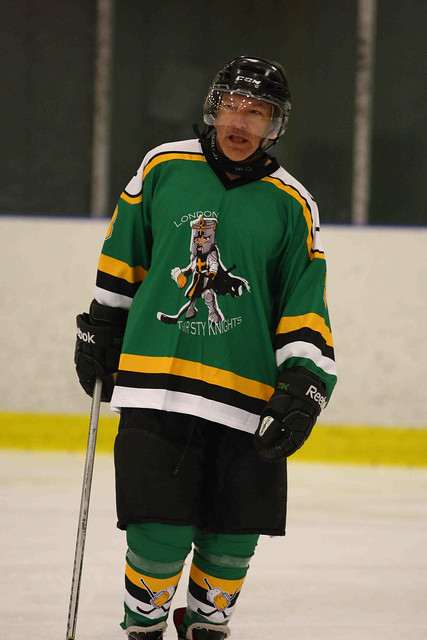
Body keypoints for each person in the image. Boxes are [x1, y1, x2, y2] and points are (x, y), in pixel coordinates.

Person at [75, 56, 337, 640]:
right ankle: (143, 630)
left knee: (231, 544)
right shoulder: (164, 165)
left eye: (258, 113)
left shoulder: (293, 203)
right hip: (157, 388)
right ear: (213, 109)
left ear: (275, 125)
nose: (241, 122)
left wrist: (305, 381)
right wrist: (102, 322)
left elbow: (304, 303)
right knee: (158, 533)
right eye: (232, 107)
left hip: (246, 398)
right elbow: (124, 255)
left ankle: (203, 630)